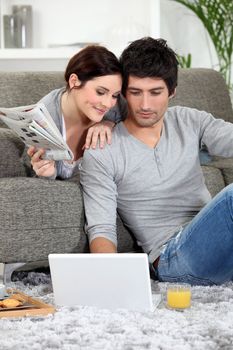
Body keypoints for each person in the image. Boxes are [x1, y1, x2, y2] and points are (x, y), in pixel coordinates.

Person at [80, 37, 233, 286]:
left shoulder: (190, 120)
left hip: (222, 252)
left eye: (155, 92)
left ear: (172, 91)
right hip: (173, 258)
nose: (145, 105)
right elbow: (101, 229)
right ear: (123, 93)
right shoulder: (102, 150)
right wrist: (112, 282)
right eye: (135, 92)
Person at [27, 45, 125, 179]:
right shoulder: (41, 120)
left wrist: (109, 124)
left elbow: (141, 124)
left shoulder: (116, 107)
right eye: (100, 92)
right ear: (74, 81)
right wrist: (49, 174)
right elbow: (34, 180)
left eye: (115, 95)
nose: (108, 104)